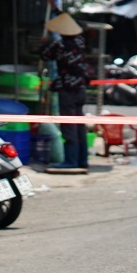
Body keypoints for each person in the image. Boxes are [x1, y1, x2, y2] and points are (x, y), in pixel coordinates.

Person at [41, 10, 92, 174]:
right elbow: (67, 18)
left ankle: (71, 161)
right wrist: (54, 7)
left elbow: (44, 55)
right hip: (81, 88)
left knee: (69, 127)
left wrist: (44, 41)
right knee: (79, 125)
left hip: (68, 90)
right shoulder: (80, 41)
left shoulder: (60, 45)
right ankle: (82, 160)